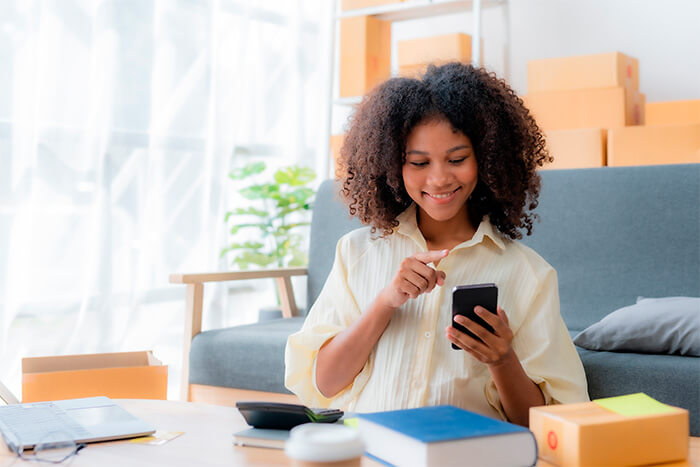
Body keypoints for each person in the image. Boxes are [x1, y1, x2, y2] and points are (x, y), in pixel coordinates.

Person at [284, 63, 588, 426]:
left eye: (457, 159)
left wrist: (502, 359)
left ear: (487, 159)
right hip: (369, 450)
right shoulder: (357, 252)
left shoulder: (528, 273)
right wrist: (385, 302)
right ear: (392, 165)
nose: (440, 179)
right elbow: (325, 384)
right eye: (419, 162)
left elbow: (549, 424)